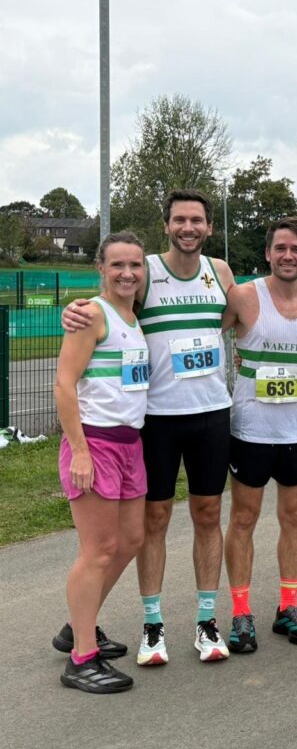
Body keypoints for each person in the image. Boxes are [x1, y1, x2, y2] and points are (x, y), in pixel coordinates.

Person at [58, 190, 235, 666]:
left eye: (196, 220)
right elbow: (105, 305)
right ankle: (152, 626)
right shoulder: (146, 271)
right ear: (166, 225)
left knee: (207, 515)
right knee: (152, 522)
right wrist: (72, 310)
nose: (188, 227)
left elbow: (250, 308)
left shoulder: (221, 272)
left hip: (211, 413)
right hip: (156, 419)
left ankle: (206, 620)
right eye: (179, 219)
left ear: (209, 226)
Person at [222, 217, 297, 650]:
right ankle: (241, 612)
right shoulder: (244, 296)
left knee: (295, 518)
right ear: (268, 253)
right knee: (243, 519)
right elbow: (198, 327)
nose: (288, 255)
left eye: (296, 249)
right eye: (280, 248)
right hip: (251, 429)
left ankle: (288, 606)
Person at [53, 232, 149, 692]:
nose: (127, 273)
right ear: (101, 268)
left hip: (130, 444)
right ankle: (82, 659)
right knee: (98, 551)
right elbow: (64, 384)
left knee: (130, 540)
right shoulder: (92, 314)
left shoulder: (133, 314)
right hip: (95, 443)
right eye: (117, 265)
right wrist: (80, 451)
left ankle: (79, 625)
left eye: (135, 265)